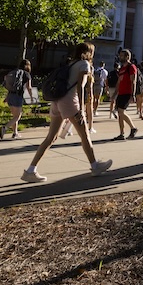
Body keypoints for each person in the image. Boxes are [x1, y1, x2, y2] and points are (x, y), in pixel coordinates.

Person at [21, 42, 112, 182]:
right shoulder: (84, 65)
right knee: (84, 135)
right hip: (70, 102)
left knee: (51, 137)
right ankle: (95, 166)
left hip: (57, 101)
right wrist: (81, 109)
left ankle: (31, 170)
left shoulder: (71, 64)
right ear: (89, 53)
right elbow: (81, 87)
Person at [0, 60, 32, 139]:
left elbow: (11, 86)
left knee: (14, 116)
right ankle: (5, 128)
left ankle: (15, 133)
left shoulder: (15, 72)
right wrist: (31, 97)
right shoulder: (26, 74)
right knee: (17, 116)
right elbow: (29, 87)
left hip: (10, 95)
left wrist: (7, 98)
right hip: (17, 96)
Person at [113, 49, 138, 140]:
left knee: (121, 112)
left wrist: (133, 94)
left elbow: (133, 81)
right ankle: (121, 133)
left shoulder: (131, 67)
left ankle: (133, 128)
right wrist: (115, 93)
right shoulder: (122, 68)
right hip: (121, 93)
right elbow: (119, 82)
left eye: (122, 56)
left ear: (127, 57)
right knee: (120, 114)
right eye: (120, 56)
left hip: (127, 93)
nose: (120, 57)